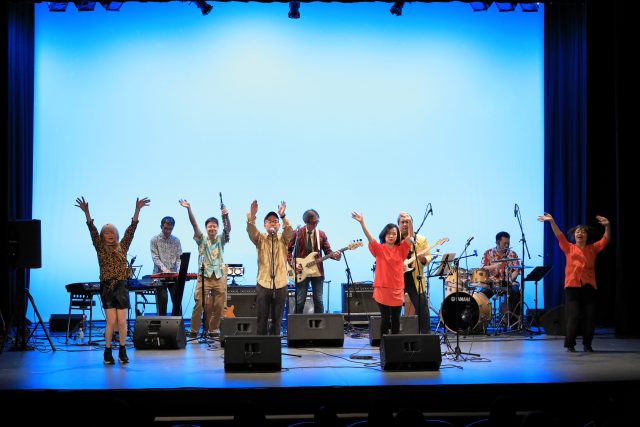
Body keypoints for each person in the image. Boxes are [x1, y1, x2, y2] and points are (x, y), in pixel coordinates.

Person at [75, 196, 150, 364]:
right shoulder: (100, 248)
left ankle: (122, 350)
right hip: (108, 287)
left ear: (116, 235)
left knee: (122, 322)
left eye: (113, 232)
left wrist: (137, 210)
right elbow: (92, 230)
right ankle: (107, 350)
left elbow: (131, 229)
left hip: (121, 286)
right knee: (111, 321)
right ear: (102, 236)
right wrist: (87, 213)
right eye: (107, 233)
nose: (110, 235)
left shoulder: (123, 246)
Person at [538, 213, 610, 352]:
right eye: (577, 231)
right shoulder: (569, 247)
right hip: (572, 287)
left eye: (583, 231)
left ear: (587, 236)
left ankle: (587, 344)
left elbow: (605, 240)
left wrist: (607, 226)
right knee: (573, 317)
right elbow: (559, 235)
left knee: (589, 318)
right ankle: (570, 344)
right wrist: (552, 221)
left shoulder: (593, 248)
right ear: (574, 235)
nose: (580, 233)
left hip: (589, 287)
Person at [352, 212, 412, 336]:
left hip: (397, 289)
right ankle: (383, 345)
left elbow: (410, 236)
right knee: (385, 319)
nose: (391, 236)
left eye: (394, 234)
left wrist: (409, 221)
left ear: (397, 236)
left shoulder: (401, 249)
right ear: (384, 234)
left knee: (396, 319)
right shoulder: (379, 249)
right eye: (389, 233)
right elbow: (369, 238)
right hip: (382, 289)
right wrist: (362, 223)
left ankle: (395, 344)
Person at [180, 198, 231, 338]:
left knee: (220, 305)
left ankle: (213, 330)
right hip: (204, 276)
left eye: (214, 226)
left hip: (219, 276)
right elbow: (194, 224)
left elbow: (228, 229)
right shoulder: (201, 239)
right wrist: (189, 209)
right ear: (206, 228)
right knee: (199, 304)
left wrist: (226, 216)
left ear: (217, 228)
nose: (212, 228)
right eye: (210, 226)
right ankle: (194, 330)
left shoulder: (221, 239)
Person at [246, 200, 292, 336]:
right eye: (269, 221)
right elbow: (251, 230)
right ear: (264, 225)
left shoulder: (283, 239)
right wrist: (252, 215)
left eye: (275, 221)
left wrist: (283, 216)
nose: (272, 223)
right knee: (262, 320)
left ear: (279, 225)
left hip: (281, 283)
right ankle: (262, 346)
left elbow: (289, 230)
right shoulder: (260, 239)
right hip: (263, 283)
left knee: (277, 321)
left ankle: (274, 346)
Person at [287, 209, 341, 315]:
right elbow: (287, 251)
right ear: (306, 222)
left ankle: (318, 324)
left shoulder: (321, 234)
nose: (315, 224)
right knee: (300, 301)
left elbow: (328, 252)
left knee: (319, 301)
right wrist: (293, 264)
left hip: (317, 272)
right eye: (313, 222)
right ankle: (297, 324)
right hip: (301, 271)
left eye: (317, 222)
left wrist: (336, 256)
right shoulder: (297, 233)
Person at [398, 212, 431, 334]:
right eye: (403, 222)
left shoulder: (421, 239)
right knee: (393, 309)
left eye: (408, 222)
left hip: (415, 279)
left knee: (422, 308)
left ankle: (426, 335)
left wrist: (423, 259)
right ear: (398, 224)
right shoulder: (394, 238)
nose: (405, 224)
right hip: (397, 279)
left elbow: (428, 257)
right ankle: (392, 335)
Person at [480, 231, 522, 323]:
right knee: (481, 297)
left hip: (509, 282)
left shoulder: (512, 254)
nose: (507, 245)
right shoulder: (488, 253)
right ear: (497, 242)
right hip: (492, 283)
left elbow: (517, 270)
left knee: (515, 292)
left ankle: (514, 322)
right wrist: (495, 266)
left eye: (508, 243)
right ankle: (482, 320)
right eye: (504, 243)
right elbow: (483, 268)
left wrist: (509, 280)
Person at [150, 216, 183, 316]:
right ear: (161, 226)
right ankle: (162, 323)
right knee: (163, 300)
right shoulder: (154, 240)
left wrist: (180, 270)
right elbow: (155, 258)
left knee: (177, 300)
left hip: (173, 275)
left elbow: (179, 258)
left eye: (170, 229)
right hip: (159, 275)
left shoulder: (176, 240)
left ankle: (177, 323)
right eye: (165, 228)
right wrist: (164, 269)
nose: (167, 231)